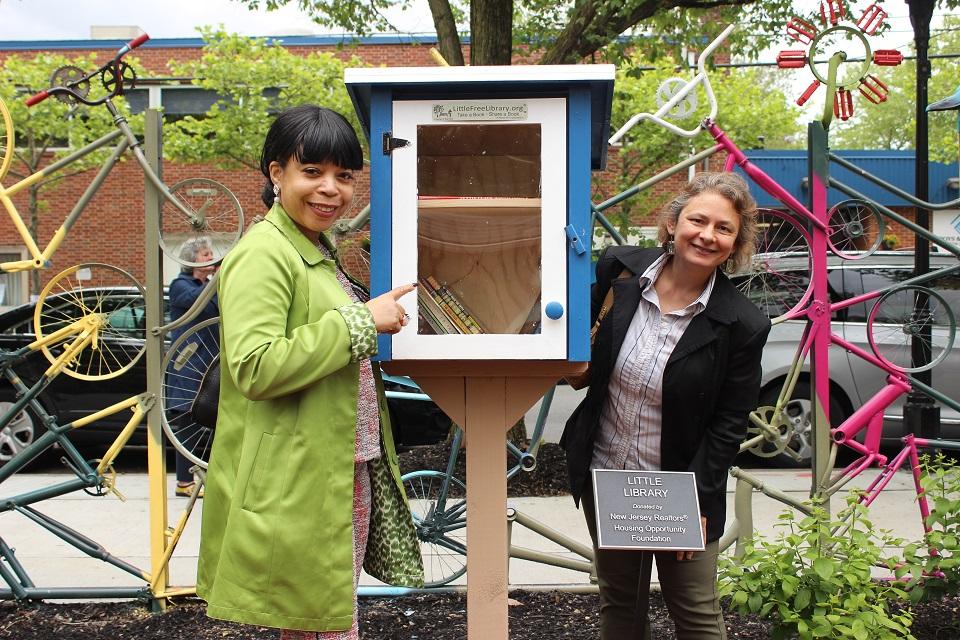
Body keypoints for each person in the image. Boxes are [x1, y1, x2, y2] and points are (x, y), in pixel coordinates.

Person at [195, 104, 416, 640]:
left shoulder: (312, 247)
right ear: (276, 174)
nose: (330, 190)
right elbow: (255, 365)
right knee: (323, 624)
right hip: (302, 474)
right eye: (311, 172)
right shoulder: (265, 254)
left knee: (319, 621)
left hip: (335, 464)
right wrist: (362, 322)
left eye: (344, 176)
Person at [560, 172, 771, 640]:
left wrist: (698, 497)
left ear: (735, 244)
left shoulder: (742, 323)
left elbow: (730, 422)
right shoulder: (619, 272)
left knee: (695, 615)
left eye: (723, 229)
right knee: (620, 608)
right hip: (609, 475)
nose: (707, 235)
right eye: (697, 220)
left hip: (681, 490)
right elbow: (579, 339)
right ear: (673, 223)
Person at [166, 238, 219, 498]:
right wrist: (218, 279)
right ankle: (183, 482)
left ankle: (201, 475)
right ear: (191, 260)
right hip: (187, 362)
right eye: (205, 254)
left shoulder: (207, 285)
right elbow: (199, 302)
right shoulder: (180, 285)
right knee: (185, 417)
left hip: (208, 363)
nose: (210, 257)